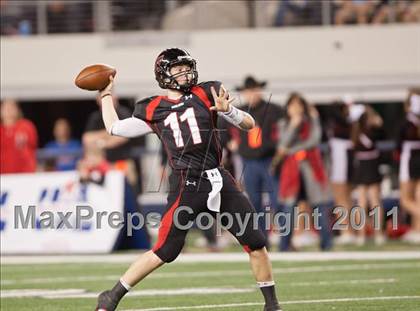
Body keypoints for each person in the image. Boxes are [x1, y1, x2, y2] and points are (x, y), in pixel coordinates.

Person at [95, 48, 282, 311]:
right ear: (164, 74)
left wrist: (230, 112)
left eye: (186, 67)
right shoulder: (152, 107)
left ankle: (272, 306)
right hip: (187, 183)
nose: (184, 73)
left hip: (219, 177)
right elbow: (114, 128)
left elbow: (249, 124)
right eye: (177, 69)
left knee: (256, 241)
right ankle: (111, 296)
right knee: (165, 251)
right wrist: (105, 94)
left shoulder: (208, 92)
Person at [272, 92, 332, 251]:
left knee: (319, 207)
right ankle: (284, 246)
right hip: (291, 173)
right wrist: (293, 126)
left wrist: (292, 150)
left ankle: (326, 244)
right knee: (288, 209)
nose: (296, 109)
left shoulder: (311, 122)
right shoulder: (284, 124)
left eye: (298, 105)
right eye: (292, 105)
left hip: (310, 171)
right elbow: (281, 145)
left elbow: (314, 140)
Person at [227, 76, 283, 242]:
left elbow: (281, 133)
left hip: (269, 160)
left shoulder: (273, 110)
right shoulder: (238, 112)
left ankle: (283, 238)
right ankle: (262, 240)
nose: (252, 94)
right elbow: (227, 133)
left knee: (277, 200)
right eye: (248, 91)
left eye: (254, 90)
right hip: (248, 162)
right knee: (254, 203)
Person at [351, 104, 385, 246]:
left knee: (365, 201)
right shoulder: (368, 130)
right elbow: (381, 130)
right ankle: (376, 234)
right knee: (371, 201)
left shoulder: (355, 131)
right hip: (369, 165)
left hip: (364, 165)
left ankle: (362, 235)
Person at [327, 97, 357, 245]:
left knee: (341, 197)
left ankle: (347, 231)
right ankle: (350, 231)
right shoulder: (347, 122)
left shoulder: (343, 123)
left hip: (342, 159)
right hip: (343, 158)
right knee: (346, 197)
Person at [398, 89, 420, 244]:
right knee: (417, 197)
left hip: (411, 158)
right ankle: (417, 229)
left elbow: (398, 142)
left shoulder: (408, 122)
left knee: (406, 199)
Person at [0, 99, 38, 174]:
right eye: (6, 107)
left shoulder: (27, 126)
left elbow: (34, 147)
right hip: (3, 176)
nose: (9, 110)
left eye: (12, 107)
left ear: (18, 110)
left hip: (25, 174)